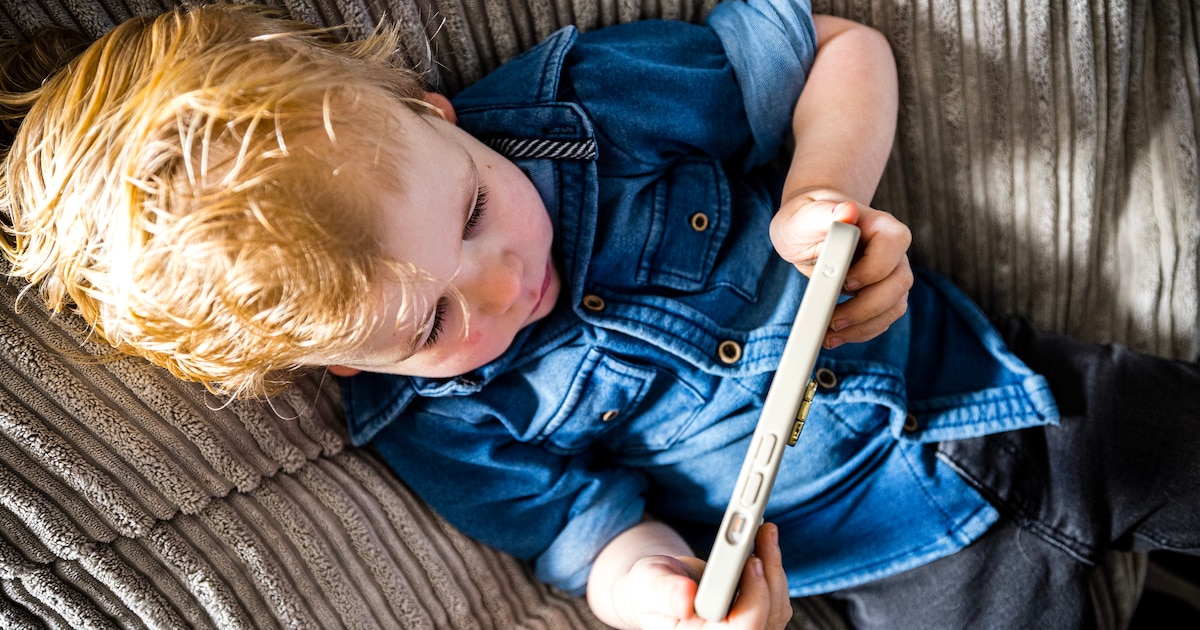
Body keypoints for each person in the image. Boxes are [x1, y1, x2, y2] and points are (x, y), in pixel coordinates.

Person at [1, 2, 1196, 629]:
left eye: (474, 211)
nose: (504, 285)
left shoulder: (586, 105)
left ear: (433, 111)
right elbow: (585, 536)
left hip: (1022, 386)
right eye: (426, 328)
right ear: (331, 367)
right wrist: (663, 598)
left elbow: (838, 47)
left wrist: (819, 193)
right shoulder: (432, 423)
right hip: (891, 565)